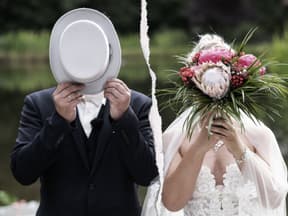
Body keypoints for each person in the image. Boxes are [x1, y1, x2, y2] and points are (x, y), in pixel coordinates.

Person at [10, 8, 158, 216]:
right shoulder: (38, 103)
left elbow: (148, 175)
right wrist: (58, 122)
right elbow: (23, 173)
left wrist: (124, 118)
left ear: (109, 52)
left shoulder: (138, 104)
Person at [142, 34, 288, 216]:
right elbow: (172, 204)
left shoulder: (258, 135)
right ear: (194, 87)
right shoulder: (175, 139)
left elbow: (273, 200)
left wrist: (239, 149)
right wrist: (198, 147)